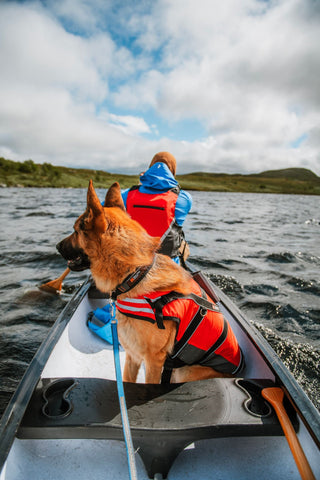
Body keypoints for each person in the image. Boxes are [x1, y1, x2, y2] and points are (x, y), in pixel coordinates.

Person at [121, 152, 192, 264]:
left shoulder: (126, 195)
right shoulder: (183, 198)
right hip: (167, 267)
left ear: (150, 167)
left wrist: (141, 185)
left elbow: (101, 208)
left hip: (132, 264)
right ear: (173, 171)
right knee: (183, 244)